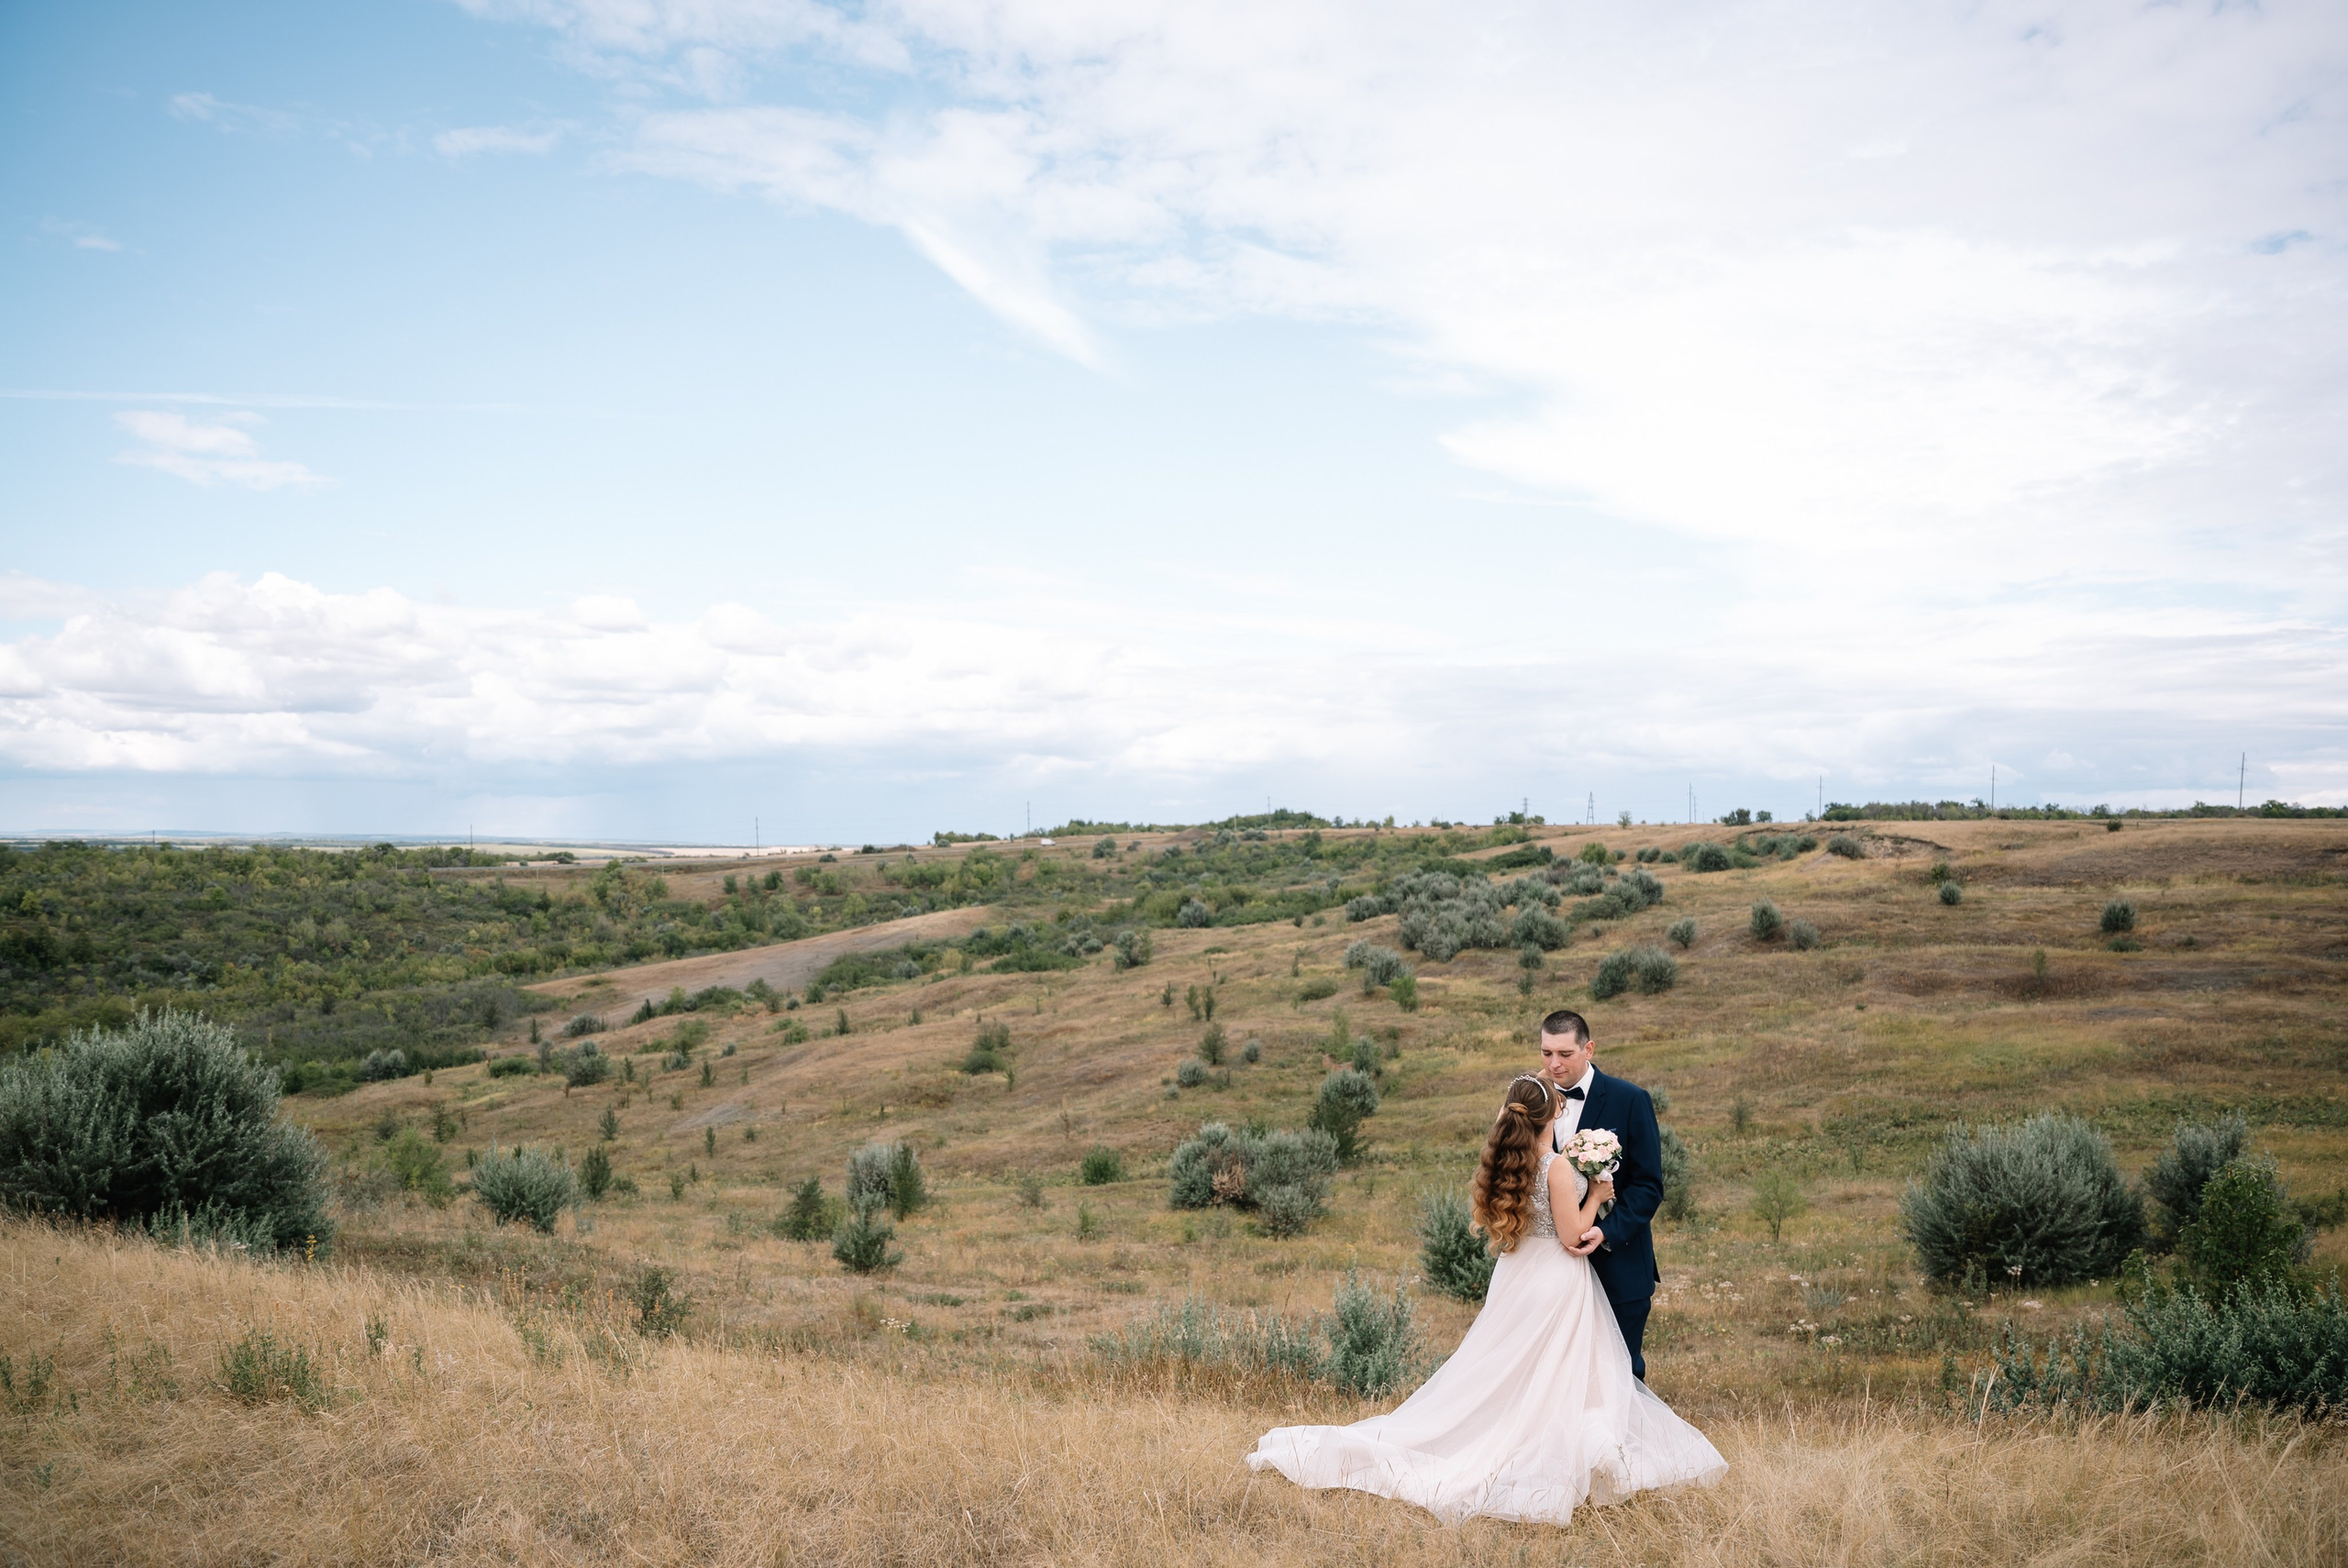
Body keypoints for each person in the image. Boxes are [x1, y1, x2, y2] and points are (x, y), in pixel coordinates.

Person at [1245, 1074, 1723, 1525]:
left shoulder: (1507, 1162)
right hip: (1556, 1276)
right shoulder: (1555, 1168)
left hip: (1517, 1273)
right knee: (1556, 1369)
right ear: (1552, 1114)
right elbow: (1574, 1237)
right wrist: (1596, 1194)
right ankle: (1541, 1449)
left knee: (1510, 1367)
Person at [1537, 1008, 1663, 1378]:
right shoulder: (1532, 1103)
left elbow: (1648, 1185)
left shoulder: (1630, 1099)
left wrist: (1606, 1231)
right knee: (1556, 1378)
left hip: (1618, 1264)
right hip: (1552, 1269)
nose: (1554, 1064)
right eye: (1546, 1054)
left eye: (1565, 1054)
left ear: (1588, 1049)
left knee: (1620, 1375)